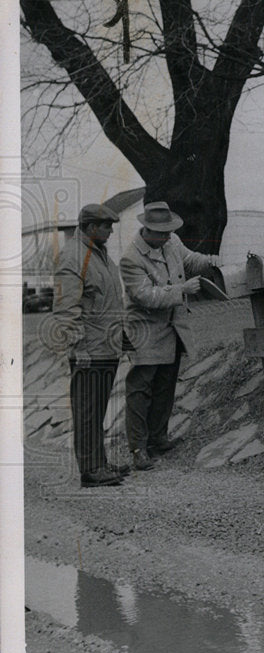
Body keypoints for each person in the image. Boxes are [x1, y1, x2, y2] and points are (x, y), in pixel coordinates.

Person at [120, 201, 215, 471]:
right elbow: (145, 296)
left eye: (168, 232)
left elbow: (189, 259)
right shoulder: (131, 259)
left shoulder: (171, 242)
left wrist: (209, 260)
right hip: (145, 331)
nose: (167, 236)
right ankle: (139, 448)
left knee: (165, 385)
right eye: (161, 233)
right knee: (140, 389)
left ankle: (158, 438)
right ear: (146, 230)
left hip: (172, 327)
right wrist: (182, 289)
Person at [51, 202, 130, 487]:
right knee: (87, 410)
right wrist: (79, 349)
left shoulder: (98, 254)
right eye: (106, 226)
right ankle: (91, 470)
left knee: (96, 410)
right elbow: (65, 310)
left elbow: (107, 301)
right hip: (89, 350)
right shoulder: (73, 257)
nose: (110, 231)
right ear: (90, 227)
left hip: (106, 347)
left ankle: (99, 462)